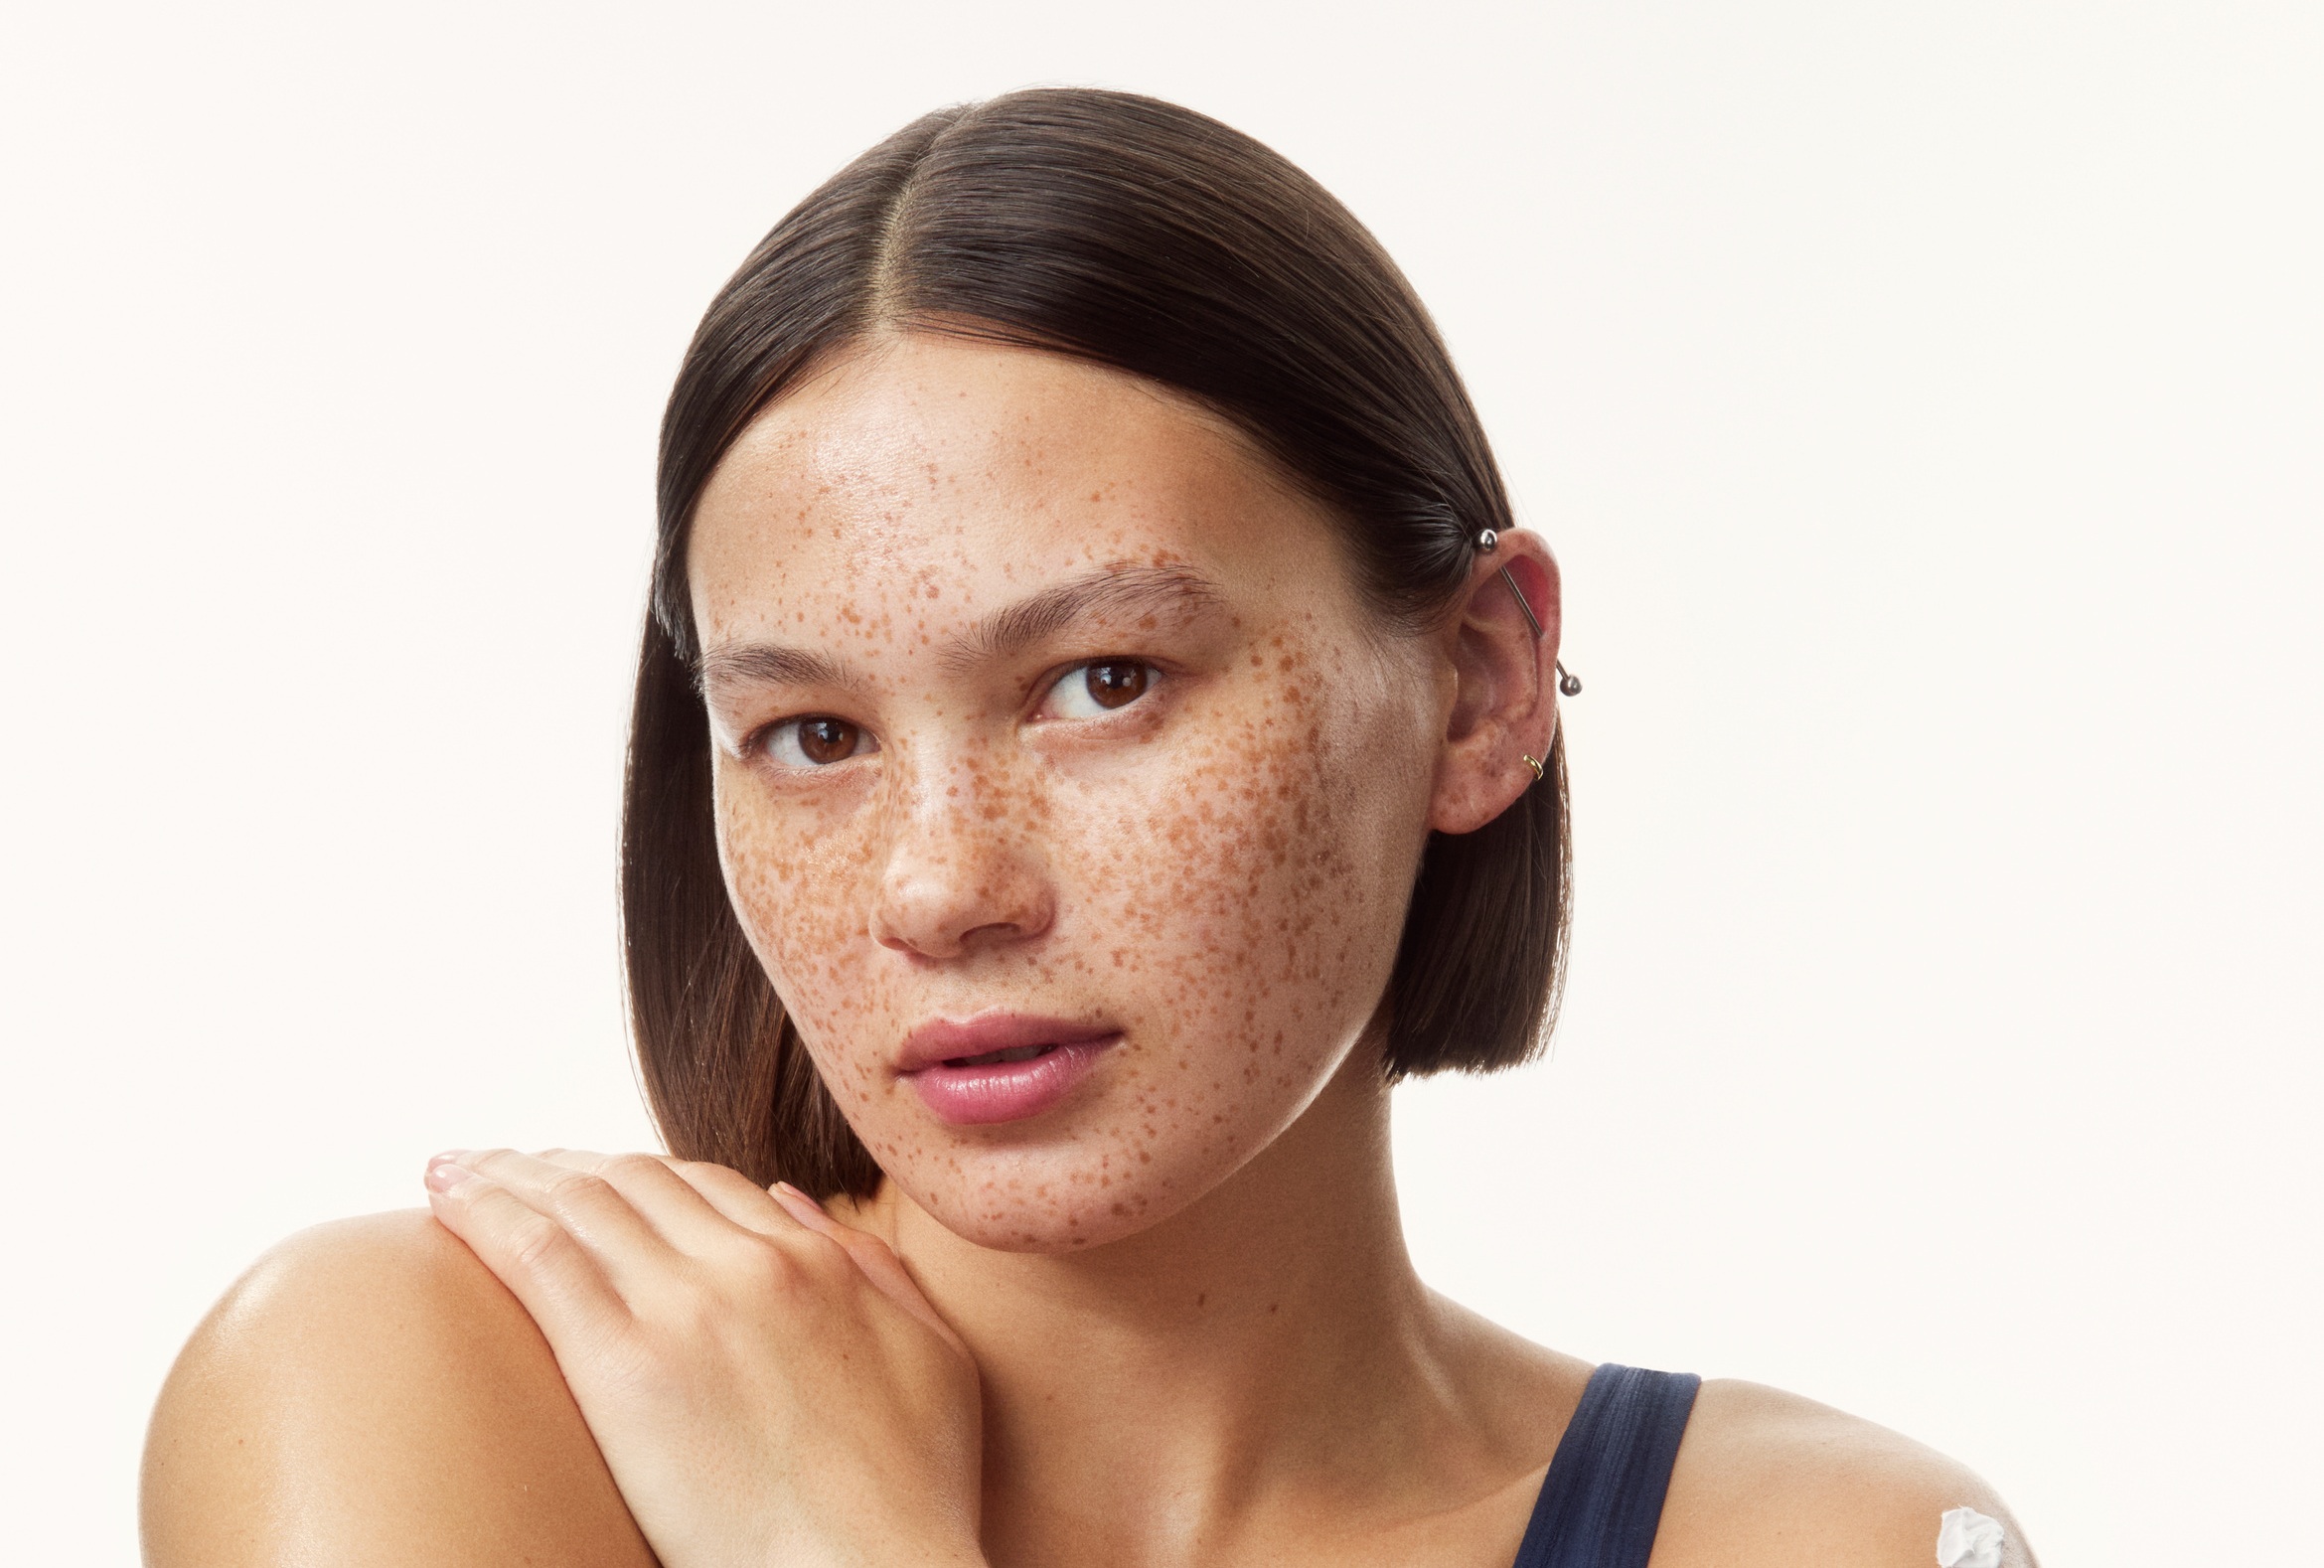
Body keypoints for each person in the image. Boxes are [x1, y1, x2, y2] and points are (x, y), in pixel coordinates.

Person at [140, 89, 2035, 1568]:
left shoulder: (1814, 1539)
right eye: (810, 731)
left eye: (1104, 682)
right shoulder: (419, 1391)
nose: (942, 886)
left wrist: (853, 1547)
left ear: (1477, 685)